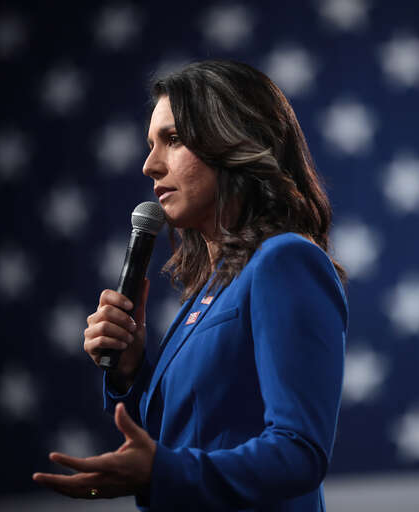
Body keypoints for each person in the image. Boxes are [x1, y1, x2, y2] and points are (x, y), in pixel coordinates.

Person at [32, 60, 349, 511]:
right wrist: (131, 370)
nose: (149, 166)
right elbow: (189, 436)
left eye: (174, 139)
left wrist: (159, 471)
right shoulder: (212, 288)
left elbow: (299, 453)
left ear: (233, 141)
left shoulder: (285, 261)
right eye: (150, 145)